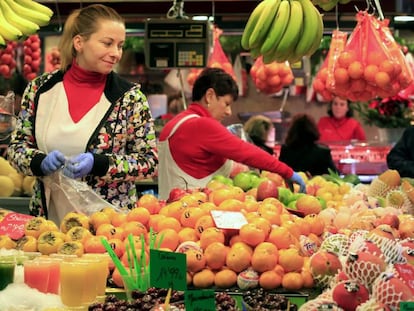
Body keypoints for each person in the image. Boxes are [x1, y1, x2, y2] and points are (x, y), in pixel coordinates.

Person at [7, 4, 158, 218]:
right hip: (48, 225)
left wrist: (99, 164)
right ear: (79, 42)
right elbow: (17, 148)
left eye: (120, 45)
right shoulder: (40, 90)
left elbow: (149, 162)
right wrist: (39, 161)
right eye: (107, 43)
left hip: (108, 228)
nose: (116, 53)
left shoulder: (130, 98)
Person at [157, 67, 306, 200]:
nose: (229, 112)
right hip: (192, 214)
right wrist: (287, 172)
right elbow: (246, 152)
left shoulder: (174, 124)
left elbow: (196, 164)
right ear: (209, 96)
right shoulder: (202, 125)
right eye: (226, 103)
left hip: (170, 213)